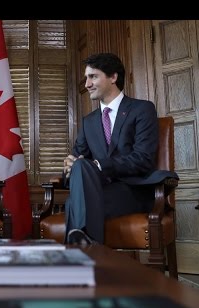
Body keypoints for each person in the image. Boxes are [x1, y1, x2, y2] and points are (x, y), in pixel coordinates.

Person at [64, 53, 175, 245]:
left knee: (74, 204)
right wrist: (69, 166)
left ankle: (83, 256)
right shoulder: (88, 122)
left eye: (93, 76)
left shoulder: (142, 109)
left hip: (134, 190)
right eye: (86, 78)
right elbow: (77, 162)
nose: (87, 84)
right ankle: (89, 250)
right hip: (101, 190)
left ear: (113, 77)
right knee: (79, 169)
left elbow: (143, 158)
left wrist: (99, 165)